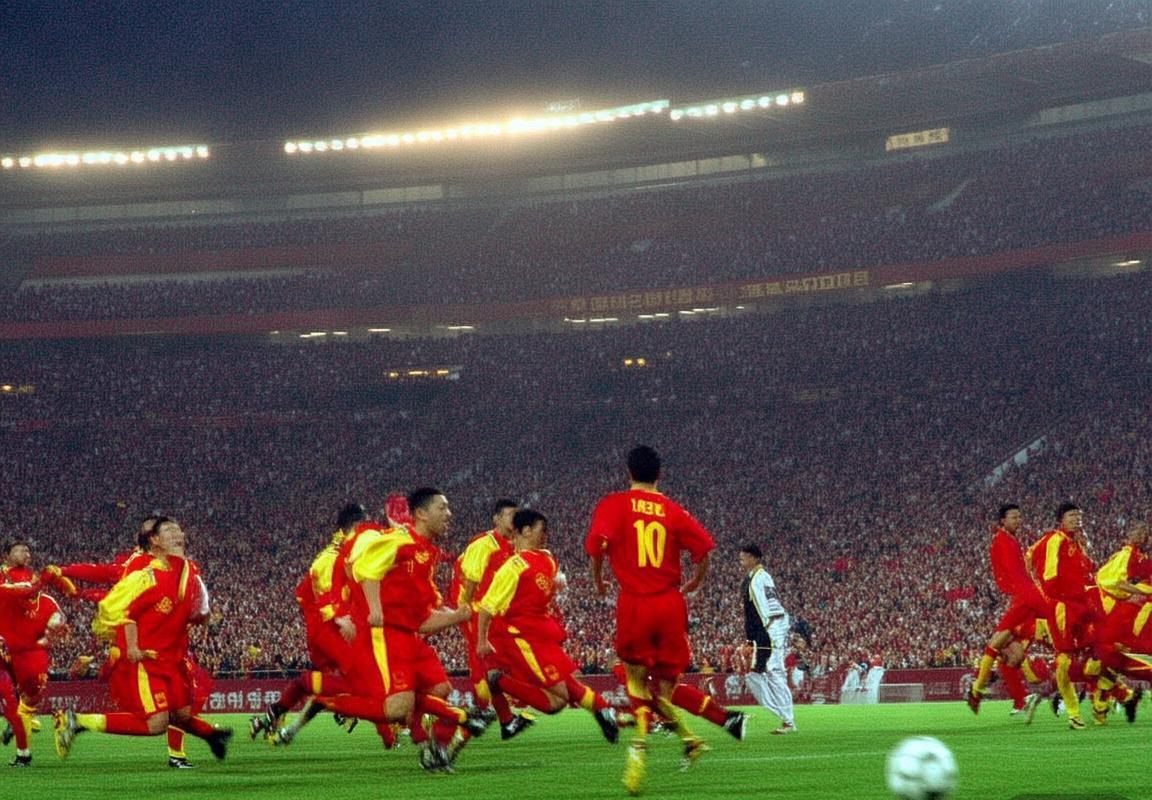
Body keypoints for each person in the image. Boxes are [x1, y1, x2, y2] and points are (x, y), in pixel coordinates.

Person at [586, 445, 743, 795]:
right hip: (671, 604)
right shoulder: (673, 509)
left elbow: (597, 546)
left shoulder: (614, 504)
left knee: (636, 680)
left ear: (629, 472)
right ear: (659, 475)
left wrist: (598, 580)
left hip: (636, 602)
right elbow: (704, 549)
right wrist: (695, 582)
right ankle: (691, 740)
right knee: (664, 691)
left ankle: (639, 748)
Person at [322, 487, 491, 772]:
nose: (449, 514)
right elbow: (364, 567)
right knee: (397, 709)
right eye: (442, 508)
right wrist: (374, 607)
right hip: (386, 634)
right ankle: (327, 701)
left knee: (441, 688)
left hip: (409, 636)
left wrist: (459, 616)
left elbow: (422, 620)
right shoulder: (401, 540)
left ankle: (432, 747)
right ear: (421, 514)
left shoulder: (427, 554)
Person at [52, 518, 231, 761]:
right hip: (150, 658)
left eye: (177, 529)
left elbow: (198, 613)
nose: (175, 533)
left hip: (175, 658)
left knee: (182, 714)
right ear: (154, 540)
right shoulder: (145, 573)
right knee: (157, 723)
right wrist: (130, 645)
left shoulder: (190, 572)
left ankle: (210, 737)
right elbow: (120, 608)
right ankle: (78, 721)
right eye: (167, 530)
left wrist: (200, 616)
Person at [476, 508, 617, 742]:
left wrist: (560, 584)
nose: (546, 535)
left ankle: (498, 682)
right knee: (562, 690)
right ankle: (602, 709)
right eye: (542, 530)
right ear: (526, 531)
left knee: (556, 702)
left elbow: (547, 585)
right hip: (522, 637)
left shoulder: (547, 558)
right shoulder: (513, 567)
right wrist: (482, 641)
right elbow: (487, 608)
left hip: (541, 631)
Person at [451, 499, 532, 740]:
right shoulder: (483, 545)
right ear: (496, 519)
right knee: (484, 663)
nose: (514, 518)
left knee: (498, 665)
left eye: (516, 514)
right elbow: (469, 581)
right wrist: (464, 611)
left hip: (494, 611)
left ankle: (505, 719)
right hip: (475, 609)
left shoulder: (513, 546)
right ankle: (478, 715)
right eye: (509, 514)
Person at [967, 504, 1045, 715]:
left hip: (1023, 598)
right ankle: (979, 691)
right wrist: (1031, 594)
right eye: (1013, 517)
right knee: (1003, 649)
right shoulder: (1004, 541)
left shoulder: (1009, 540)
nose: (1018, 520)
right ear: (1003, 520)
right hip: (1024, 598)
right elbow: (1014, 574)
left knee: (1012, 655)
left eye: (1019, 517)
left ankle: (1000, 695)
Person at [1027, 502, 1099, 730]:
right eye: (1072, 515)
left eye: (1079, 515)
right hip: (1063, 608)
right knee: (1065, 660)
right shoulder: (1055, 539)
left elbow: (1088, 570)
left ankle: (1101, 700)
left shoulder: (1076, 542)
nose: (1077, 519)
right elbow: (1046, 574)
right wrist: (1045, 599)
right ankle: (1074, 713)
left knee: (1100, 650)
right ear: (1061, 519)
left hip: (1082, 605)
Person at [0, 541, 71, 766]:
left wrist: (54, 627)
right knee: (13, 701)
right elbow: (27, 591)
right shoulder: (5, 577)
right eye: (21, 550)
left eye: (29, 550)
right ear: (7, 554)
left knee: (30, 696)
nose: (27, 553)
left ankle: (22, 738)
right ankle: (22, 741)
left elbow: (47, 604)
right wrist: (44, 581)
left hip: (25, 650)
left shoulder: (31, 579)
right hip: (4, 649)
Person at [738, 543, 796, 734]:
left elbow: (759, 609)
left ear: (753, 558)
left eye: (743, 558)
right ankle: (787, 719)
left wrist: (757, 638)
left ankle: (788, 721)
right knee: (763, 674)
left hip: (771, 628)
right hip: (775, 626)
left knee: (773, 672)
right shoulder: (763, 576)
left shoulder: (754, 580)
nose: (741, 561)